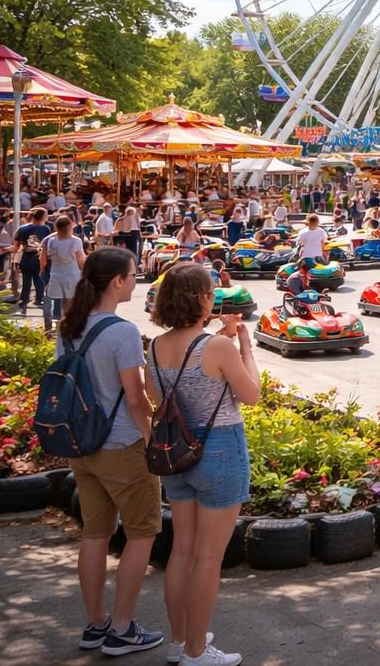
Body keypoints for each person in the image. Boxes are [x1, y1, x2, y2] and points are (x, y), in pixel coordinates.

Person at [148, 261, 259, 666]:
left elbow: (155, 393)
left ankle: (182, 641)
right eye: (210, 291)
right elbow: (251, 395)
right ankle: (198, 651)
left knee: (182, 551)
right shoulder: (218, 347)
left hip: (177, 453)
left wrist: (222, 340)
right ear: (200, 298)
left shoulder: (157, 345)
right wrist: (244, 346)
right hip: (220, 451)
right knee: (209, 558)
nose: (215, 297)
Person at [59, 247, 164, 657]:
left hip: (81, 445)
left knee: (95, 533)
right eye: (133, 275)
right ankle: (122, 629)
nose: (136, 281)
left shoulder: (69, 327)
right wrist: (152, 440)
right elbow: (136, 399)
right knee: (142, 534)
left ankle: (96, 623)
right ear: (117, 281)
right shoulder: (121, 332)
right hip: (121, 445)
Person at [41, 213, 86, 336]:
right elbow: (81, 260)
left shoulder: (51, 241)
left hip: (56, 274)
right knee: (70, 303)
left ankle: (54, 327)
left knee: (55, 302)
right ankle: (68, 327)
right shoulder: (75, 241)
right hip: (72, 273)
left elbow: (47, 257)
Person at [14, 206, 52, 314]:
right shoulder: (46, 229)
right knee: (39, 280)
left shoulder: (23, 228)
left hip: (26, 258)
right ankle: (39, 299)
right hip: (40, 259)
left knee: (26, 281)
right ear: (43, 217)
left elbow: (17, 243)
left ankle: (23, 300)